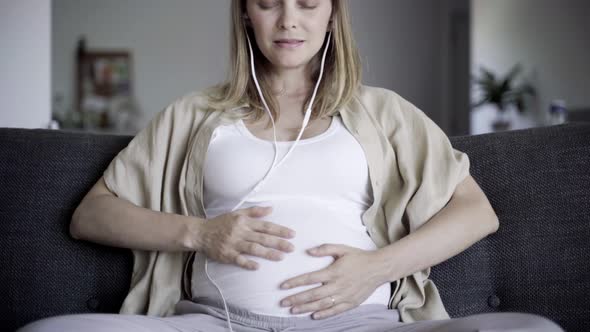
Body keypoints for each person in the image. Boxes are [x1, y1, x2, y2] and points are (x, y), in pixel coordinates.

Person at [18, 0, 564, 331]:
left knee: (531, 329)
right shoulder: (195, 115)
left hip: (365, 323)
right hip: (214, 323)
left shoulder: (383, 111)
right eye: (269, 4)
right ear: (245, 13)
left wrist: (378, 268)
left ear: (332, 14)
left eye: (307, 4)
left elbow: (476, 213)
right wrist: (200, 234)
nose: (288, 22)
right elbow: (90, 216)